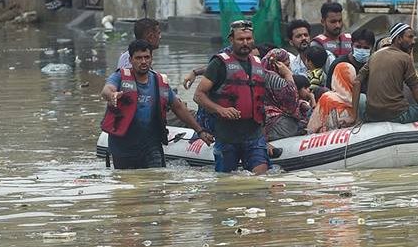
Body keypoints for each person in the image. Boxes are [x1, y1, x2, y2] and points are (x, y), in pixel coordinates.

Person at [194, 21, 291, 174]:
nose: (245, 43)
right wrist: (220, 109)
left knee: (261, 179)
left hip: (254, 136)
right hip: (227, 137)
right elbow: (198, 95)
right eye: (241, 39)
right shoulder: (218, 63)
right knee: (226, 184)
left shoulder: (259, 64)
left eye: (249, 39)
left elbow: (264, 101)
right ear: (231, 40)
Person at [100, 40, 213, 169]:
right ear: (130, 60)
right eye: (138, 58)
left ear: (151, 58)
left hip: (151, 146)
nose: (143, 61)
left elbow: (178, 107)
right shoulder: (120, 76)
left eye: (146, 57)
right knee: (128, 184)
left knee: (156, 182)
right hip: (123, 147)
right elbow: (106, 90)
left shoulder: (159, 82)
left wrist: (200, 131)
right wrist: (112, 95)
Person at [352, 22, 418, 124]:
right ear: (398, 39)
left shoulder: (374, 56)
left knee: (362, 97)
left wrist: (353, 116)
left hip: (372, 115)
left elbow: (356, 82)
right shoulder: (405, 58)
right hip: (398, 115)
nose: (413, 41)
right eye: (410, 37)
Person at [261, 48, 308, 141]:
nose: (289, 68)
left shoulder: (265, 75)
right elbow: (290, 103)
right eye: (286, 65)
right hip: (276, 125)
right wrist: (288, 74)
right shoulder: (272, 77)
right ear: (278, 65)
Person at [308, 61, 362, 133]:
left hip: (328, 141)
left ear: (335, 77)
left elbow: (312, 128)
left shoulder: (327, 99)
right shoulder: (359, 99)